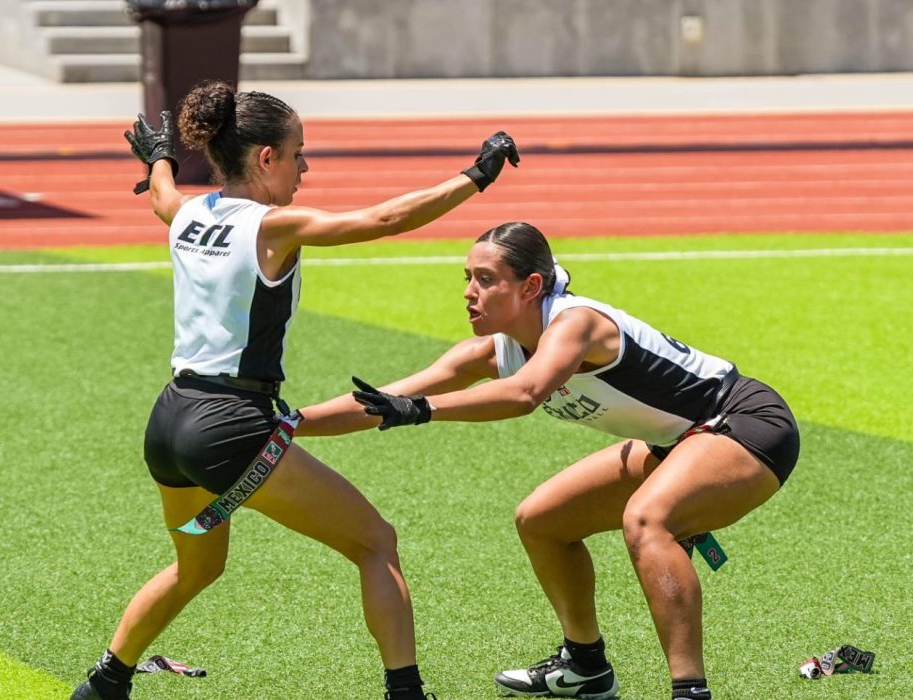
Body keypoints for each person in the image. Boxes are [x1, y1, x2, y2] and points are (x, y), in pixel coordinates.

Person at [70, 81, 519, 700]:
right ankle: (406, 693)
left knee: (197, 566)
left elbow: (162, 197)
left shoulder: (189, 213)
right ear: (264, 159)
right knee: (375, 542)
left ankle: (104, 684)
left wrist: (157, 158)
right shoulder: (274, 227)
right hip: (230, 426)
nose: (305, 167)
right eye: (298, 152)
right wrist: (477, 176)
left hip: (169, 421)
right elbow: (384, 220)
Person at [296, 222, 800, 700]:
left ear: (531, 285)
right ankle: (585, 666)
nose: (469, 291)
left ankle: (690, 690)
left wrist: (421, 411)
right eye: (467, 278)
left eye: (486, 279)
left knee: (649, 520)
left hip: (743, 421)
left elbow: (523, 395)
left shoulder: (576, 324)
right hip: (675, 441)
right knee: (541, 520)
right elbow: (385, 397)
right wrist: (288, 422)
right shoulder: (490, 353)